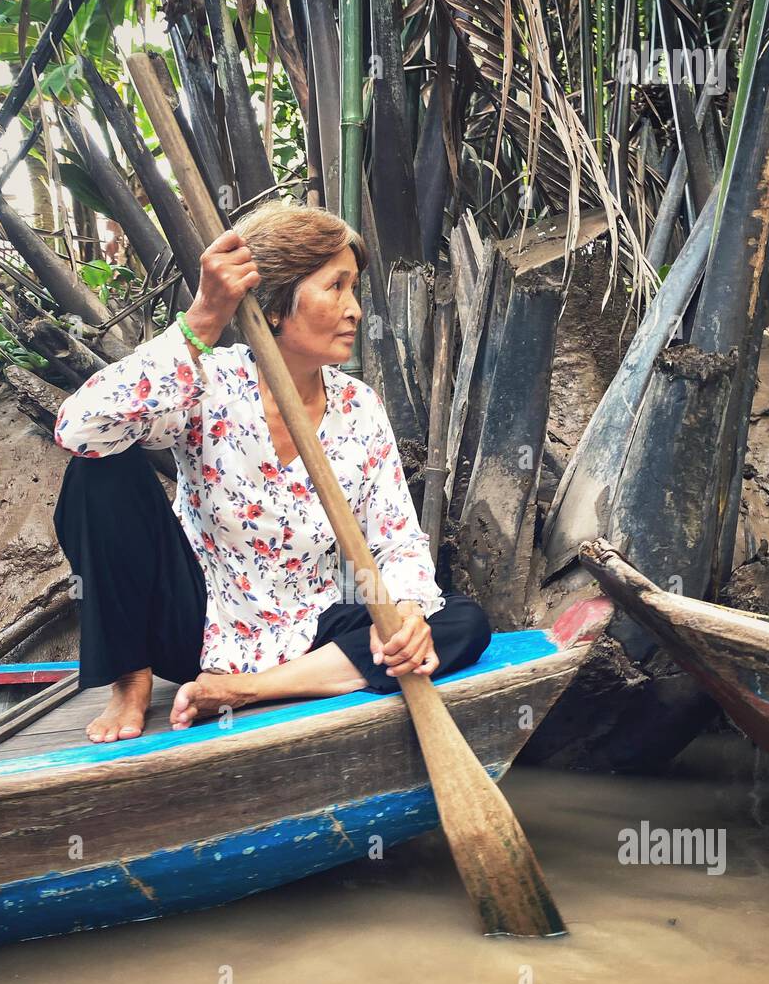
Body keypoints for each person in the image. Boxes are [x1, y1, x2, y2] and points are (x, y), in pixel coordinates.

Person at [52, 201, 491, 743]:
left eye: (354, 290)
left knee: (462, 624)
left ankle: (252, 689)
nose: (354, 309)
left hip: (312, 631)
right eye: (336, 287)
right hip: (198, 623)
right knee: (99, 469)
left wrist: (406, 612)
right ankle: (130, 679)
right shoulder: (207, 382)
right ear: (279, 303)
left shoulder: (360, 407)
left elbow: (397, 539)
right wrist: (203, 318)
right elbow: (79, 430)